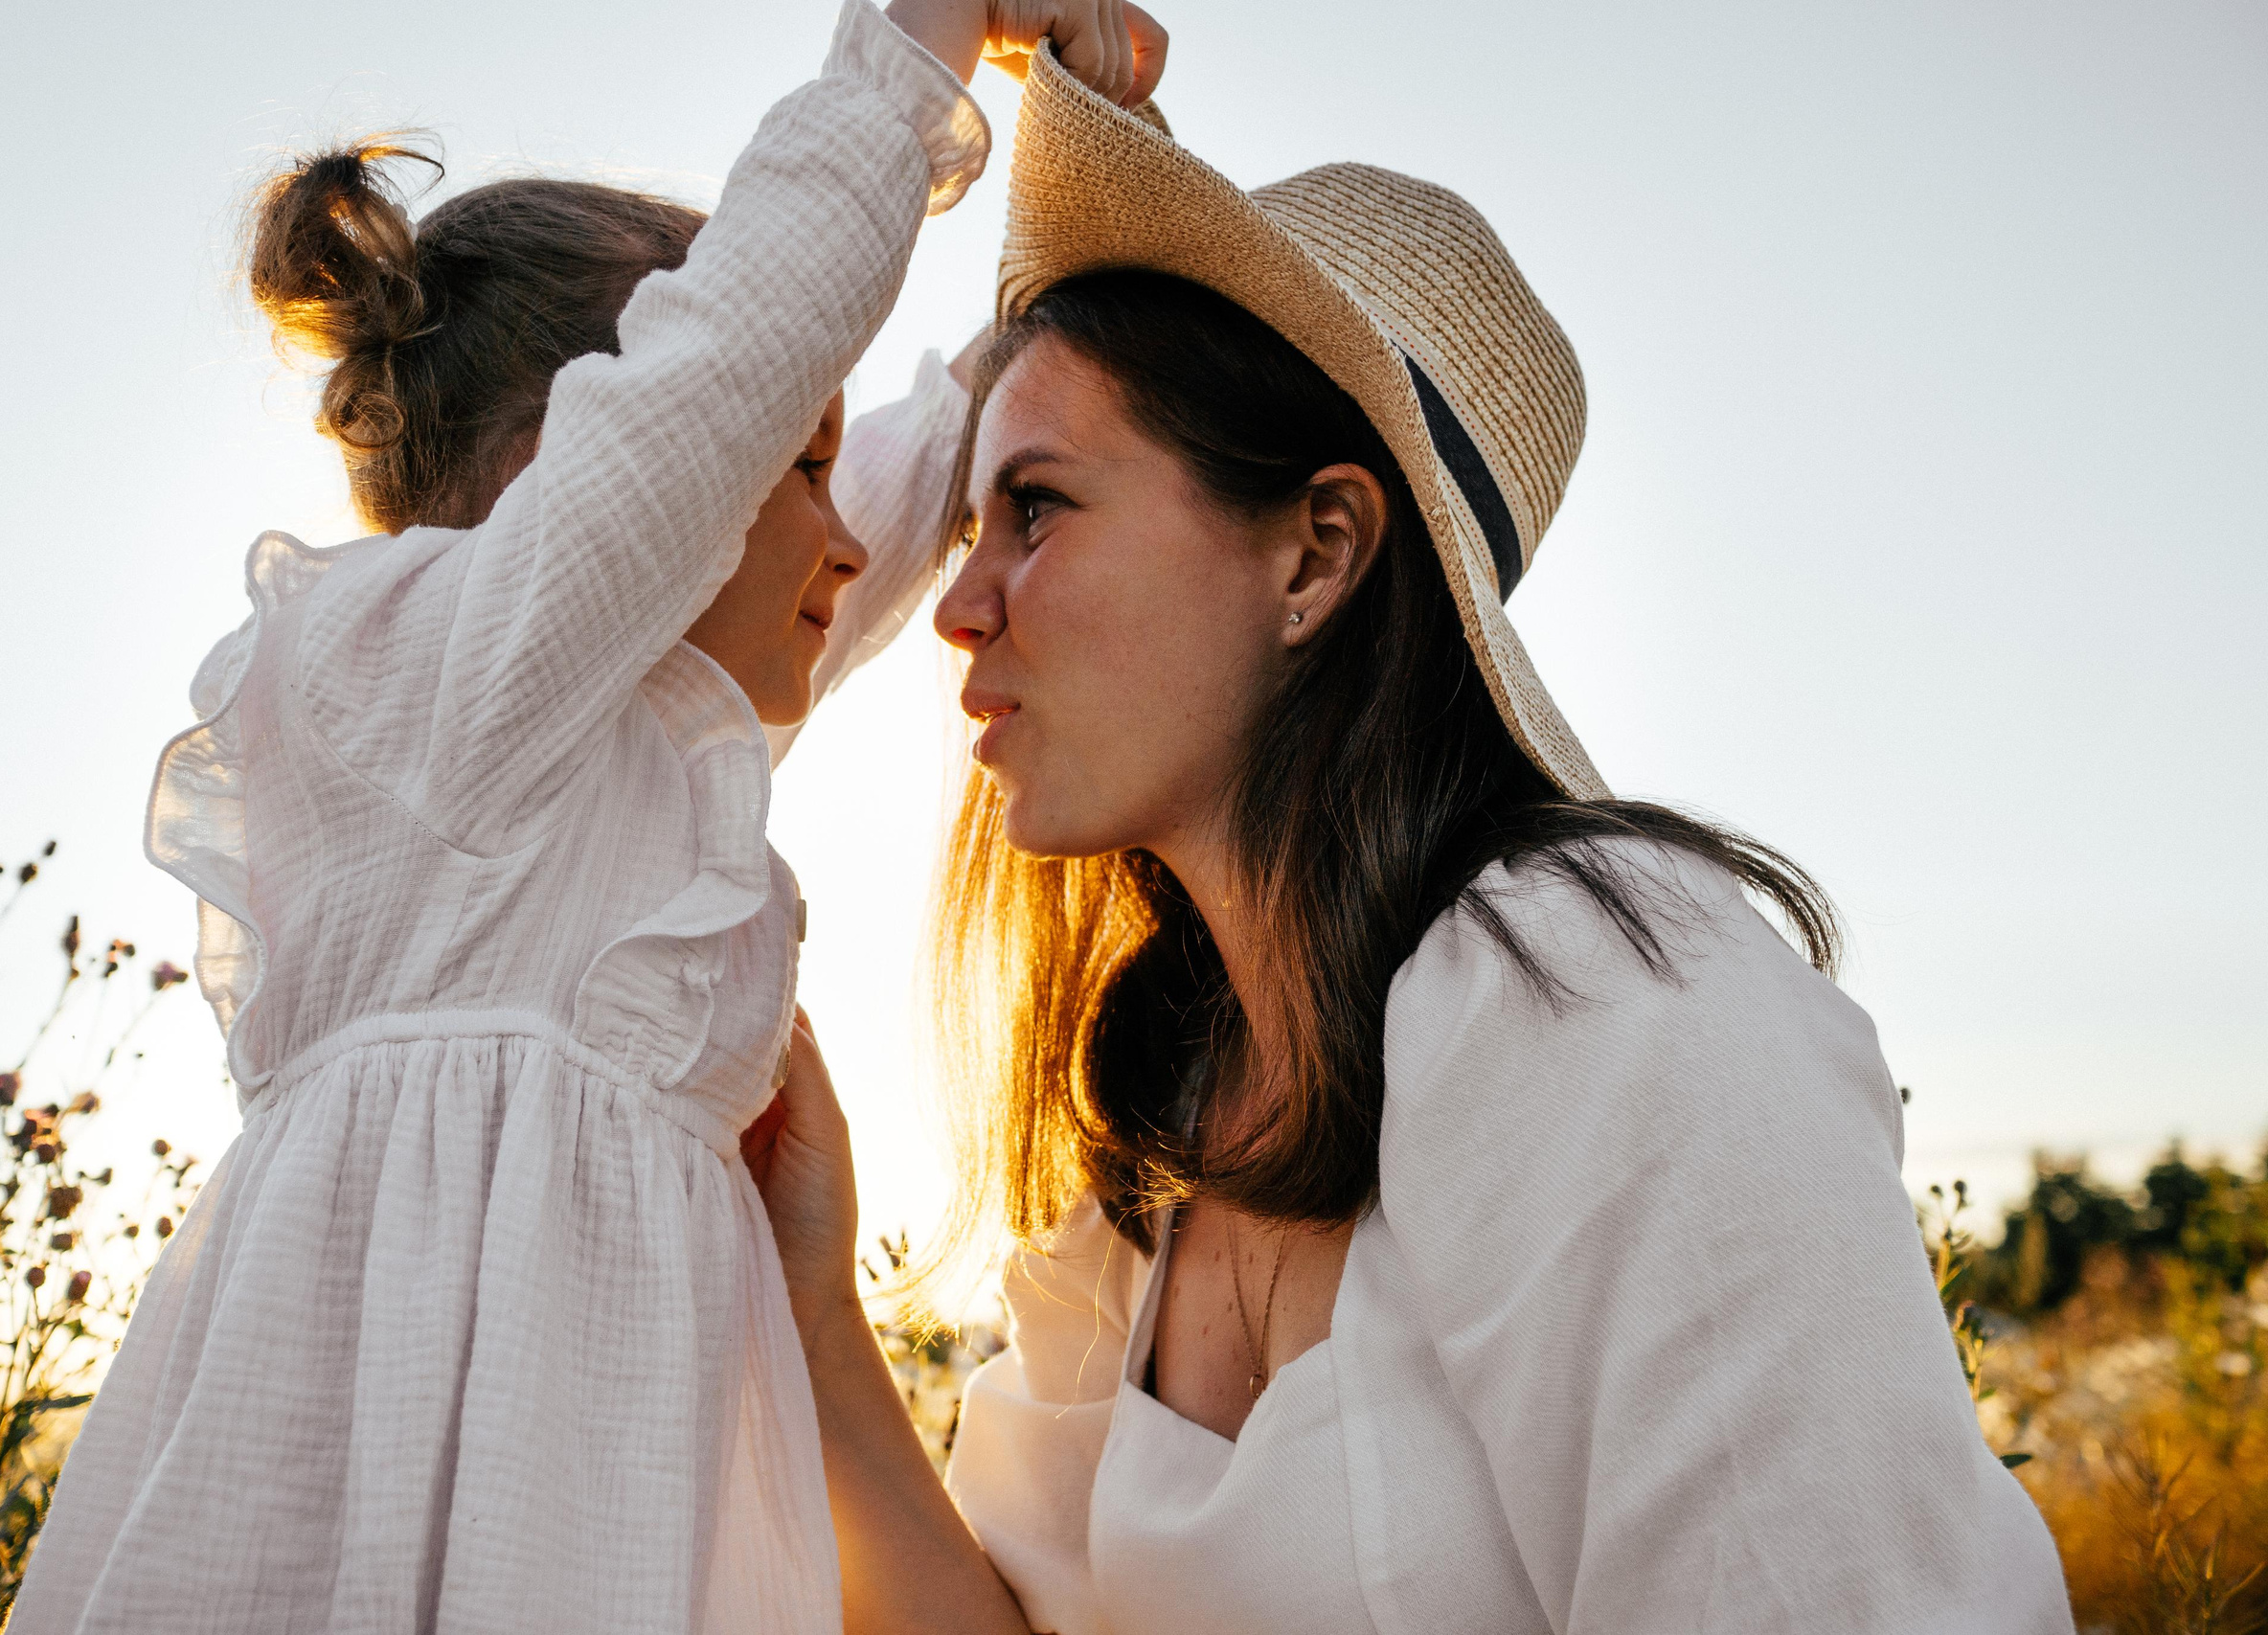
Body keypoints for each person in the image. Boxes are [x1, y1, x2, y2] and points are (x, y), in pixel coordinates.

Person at [747, 42, 2076, 1634]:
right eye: (969, 529)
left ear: (1315, 553)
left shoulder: (1604, 992)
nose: (960, 606)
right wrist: (817, 1310)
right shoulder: (1161, 1136)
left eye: (1036, 509)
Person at [5, 5, 1165, 1632]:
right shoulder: (434, 686)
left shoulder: (620, 748)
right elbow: (732, 364)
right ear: (594, 475)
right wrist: (913, 50)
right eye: (796, 466)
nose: (849, 538)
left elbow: (905, 490)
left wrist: (1080, 263)